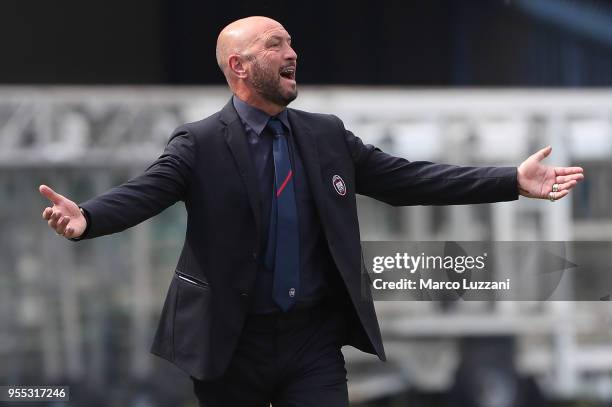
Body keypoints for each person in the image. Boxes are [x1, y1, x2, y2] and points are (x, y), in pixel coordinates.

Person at [39, 16, 584, 407]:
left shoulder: (326, 136)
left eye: (291, 41)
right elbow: (147, 190)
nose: (291, 51)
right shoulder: (200, 144)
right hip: (231, 341)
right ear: (239, 65)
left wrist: (511, 180)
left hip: (312, 341)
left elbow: (409, 179)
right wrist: (88, 217)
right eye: (275, 44)